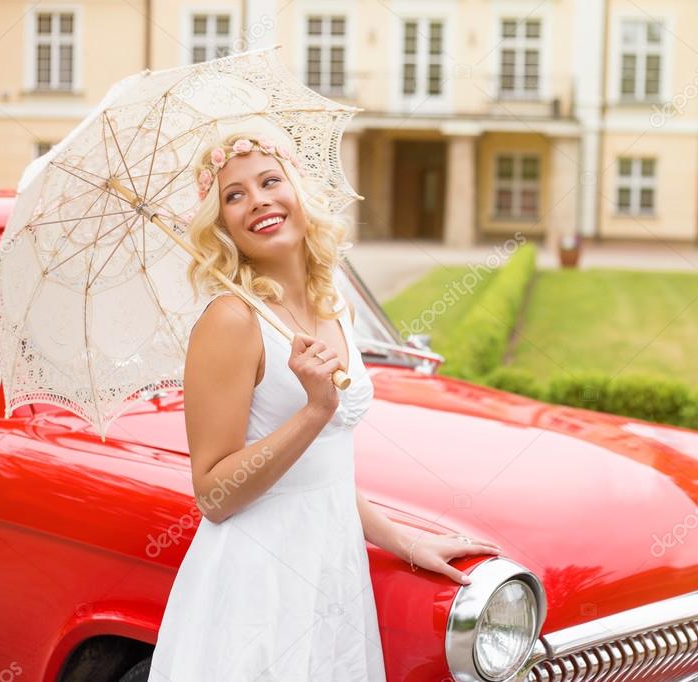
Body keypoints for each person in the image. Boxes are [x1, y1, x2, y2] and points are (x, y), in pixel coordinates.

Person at [148, 129, 503, 681]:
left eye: (270, 181)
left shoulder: (332, 302)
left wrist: (405, 541)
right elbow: (214, 495)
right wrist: (313, 411)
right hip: (260, 578)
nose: (259, 200)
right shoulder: (231, 321)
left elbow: (322, 474)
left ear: (298, 192)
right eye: (234, 195)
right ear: (220, 226)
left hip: (333, 565)